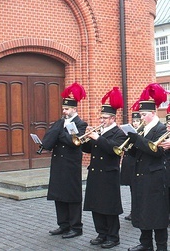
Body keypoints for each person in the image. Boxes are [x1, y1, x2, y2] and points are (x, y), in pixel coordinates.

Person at [41, 83, 88, 239]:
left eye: (67, 109)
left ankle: (76, 226)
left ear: (74, 109)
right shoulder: (60, 122)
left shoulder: (81, 124)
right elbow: (49, 140)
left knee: (72, 196)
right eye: (63, 109)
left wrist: (60, 132)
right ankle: (63, 224)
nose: (64, 111)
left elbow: (74, 141)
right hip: (58, 163)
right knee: (59, 194)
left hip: (71, 164)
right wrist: (58, 129)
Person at [82, 87, 127, 249]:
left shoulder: (119, 133)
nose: (101, 120)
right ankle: (101, 233)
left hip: (109, 174)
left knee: (109, 206)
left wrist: (98, 138)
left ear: (113, 118)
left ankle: (113, 236)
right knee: (96, 205)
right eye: (100, 117)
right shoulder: (99, 132)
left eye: (104, 118)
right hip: (95, 173)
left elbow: (113, 150)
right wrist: (85, 140)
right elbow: (89, 150)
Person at [127, 83, 168, 251]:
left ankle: (161, 246)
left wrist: (137, 139)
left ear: (153, 113)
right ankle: (145, 244)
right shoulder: (143, 130)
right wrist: (130, 145)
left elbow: (157, 151)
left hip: (155, 177)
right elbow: (137, 153)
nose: (141, 118)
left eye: (144, 115)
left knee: (157, 214)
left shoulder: (161, 128)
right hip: (141, 176)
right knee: (142, 211)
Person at [120, 111, 142, 221]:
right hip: (128, 162)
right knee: (131, 189)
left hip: (136, 162)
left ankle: (137, 211)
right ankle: (133, 211)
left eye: (137, 121)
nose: (136, 123)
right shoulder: (129, 133)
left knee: (137, 189)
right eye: (134, 121)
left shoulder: (141, 132)